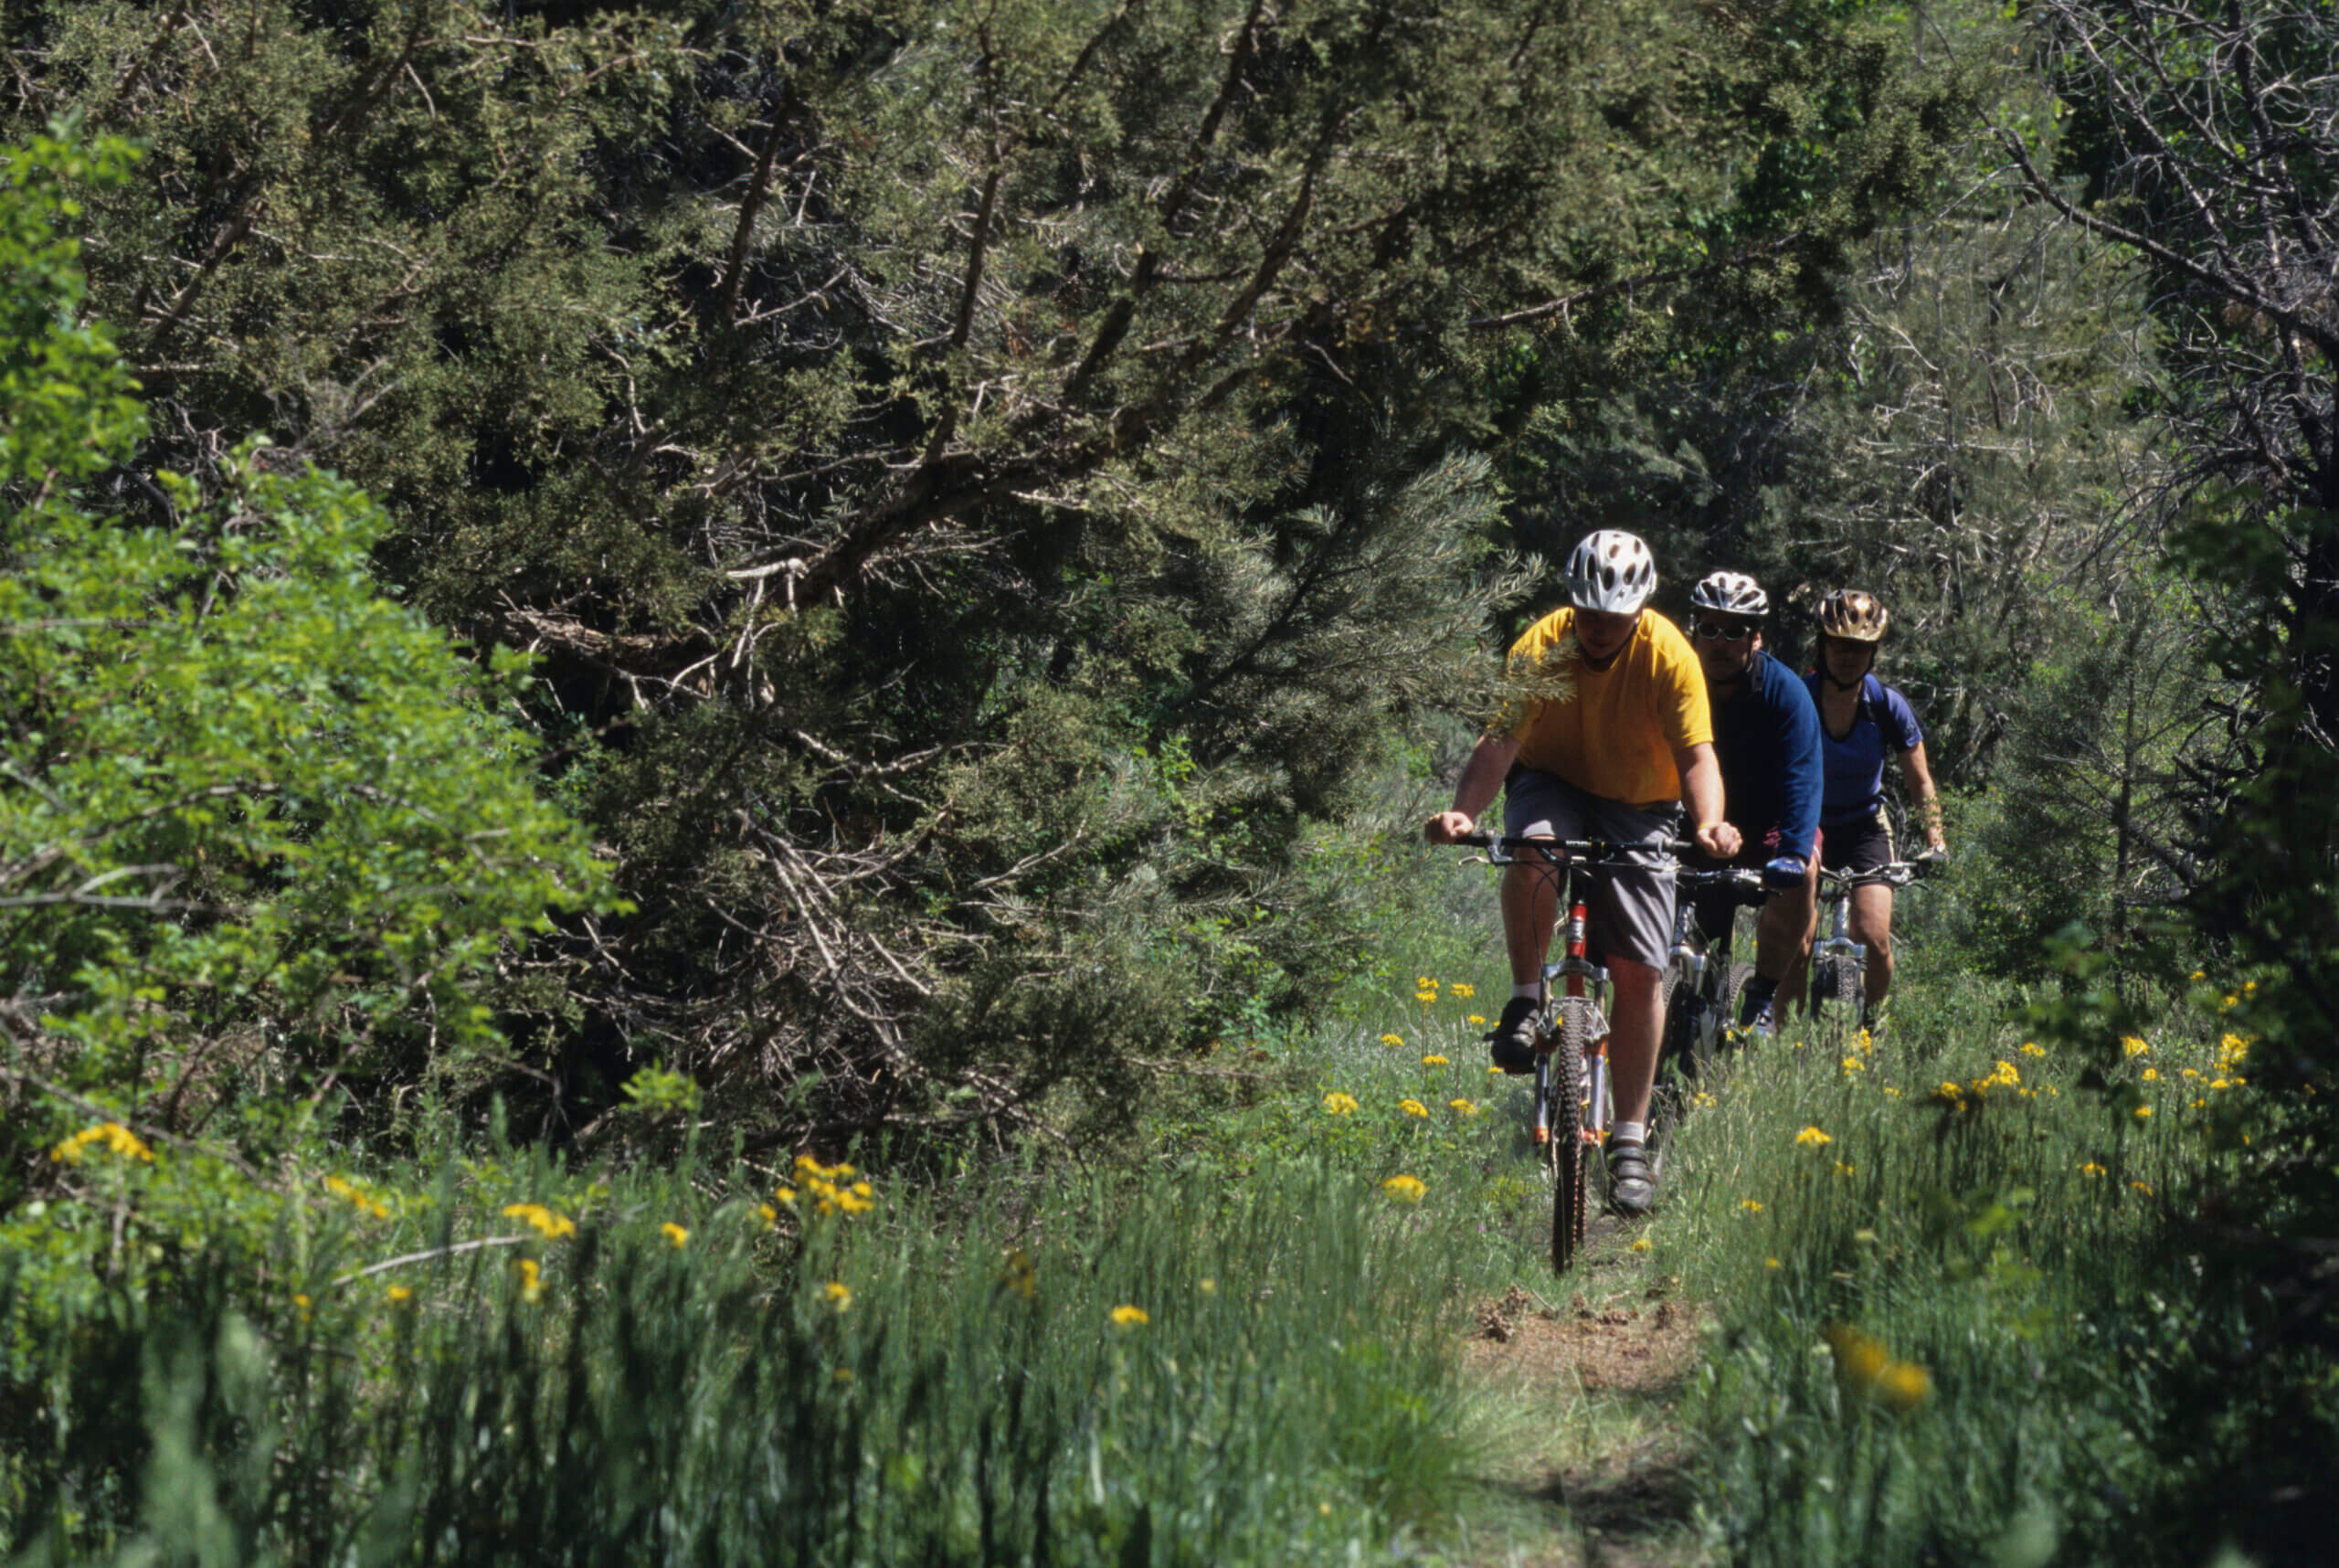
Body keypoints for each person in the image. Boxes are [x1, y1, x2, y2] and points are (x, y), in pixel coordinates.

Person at [1424, 530, 1739, 1216]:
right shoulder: (1542, 645)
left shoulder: (1669, 656)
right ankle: (1525, 996)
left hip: (1642, 803)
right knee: (1532, 848)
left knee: (1641, 970)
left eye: (1614, 618)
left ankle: (1629, 1143)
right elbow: (1501, 741)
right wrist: (1461, 812)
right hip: (1553, 780)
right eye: (1589, 614)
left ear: (1640, 609)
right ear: (1574, 605)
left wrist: (1710, 822)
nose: (1599, 630)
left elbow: (1696, 755)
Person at [1781, 588, 1947, 1026]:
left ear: (1872, 653)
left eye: (1859, 648)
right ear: (1823, 646)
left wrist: (1936, 840)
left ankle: (1871, 1026)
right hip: (1808, 824)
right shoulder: (1800, 697)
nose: (1847, 656)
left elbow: (1920, 781)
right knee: (1796, 944)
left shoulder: (1886, 705)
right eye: (1839, 644)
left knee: (1873, 939)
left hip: (1865, 827)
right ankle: (1785, 1042)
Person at [1678, 571, 1823, 1038]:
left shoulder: (1786, 693)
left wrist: (1797, 852)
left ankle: (1762, 992)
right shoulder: (1674, 683)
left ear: (1756, 637)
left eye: (1735, 630)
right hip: (1698, 823)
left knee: (1804, 876)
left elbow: (1803, 776)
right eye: (1709, 628)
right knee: (1699, 941)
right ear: (1692, 630)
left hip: (1770, 824)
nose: (1720, 643)